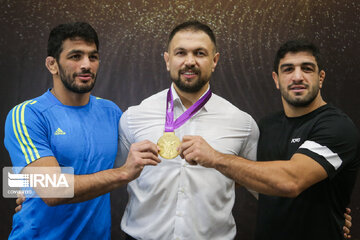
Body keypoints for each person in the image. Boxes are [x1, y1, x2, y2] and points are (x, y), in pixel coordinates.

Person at [179, 39, 360, 240]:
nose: (297, 76)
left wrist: (215, 157)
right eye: (288, 69)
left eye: (307, 69)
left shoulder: (336, 127)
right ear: (276, 79)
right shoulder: (266, 126)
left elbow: (290, 181)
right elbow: (242, 176)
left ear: (321, 78)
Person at [4, 22, 160, 239]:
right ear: (52, 64)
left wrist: (26, 186)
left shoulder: (111, 112)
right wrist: (123, 173)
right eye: (75, 56)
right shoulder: (27, 114)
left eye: (93, 57)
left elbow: (88, 161)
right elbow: (52, 189)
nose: (86, 65)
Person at [116, 20, 259, 239]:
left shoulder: (242, 123)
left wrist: (221, 163)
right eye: (181, 53)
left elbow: (255, 182)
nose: (190, 61)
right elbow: (119, 174)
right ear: (167, 60)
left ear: (214, 61)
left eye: (200, 53)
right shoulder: (134, 117)